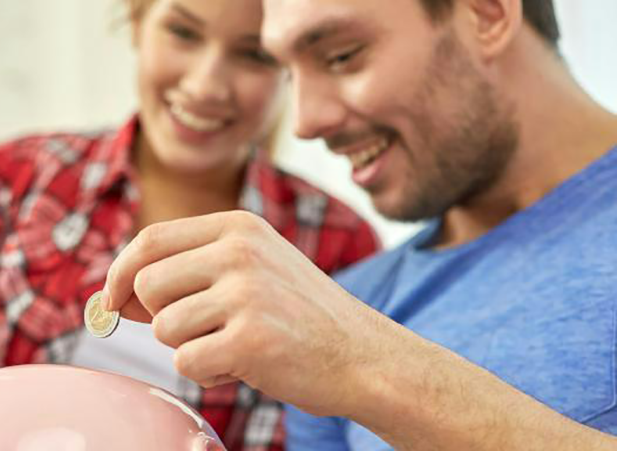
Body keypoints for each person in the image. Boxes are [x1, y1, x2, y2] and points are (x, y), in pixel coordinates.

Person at [0, 0, 378, 450]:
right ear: (137, 21)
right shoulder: (8, 179)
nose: (205, 84)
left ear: (289, 70)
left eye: (252, 55)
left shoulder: (333, 242)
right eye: (182, 31)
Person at [101, 0, 617, 449]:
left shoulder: (345, 339)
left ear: (487, 13)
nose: (305, 121)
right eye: (287, 69)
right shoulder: (345, 303)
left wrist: (367, 365)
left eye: (341, 56)